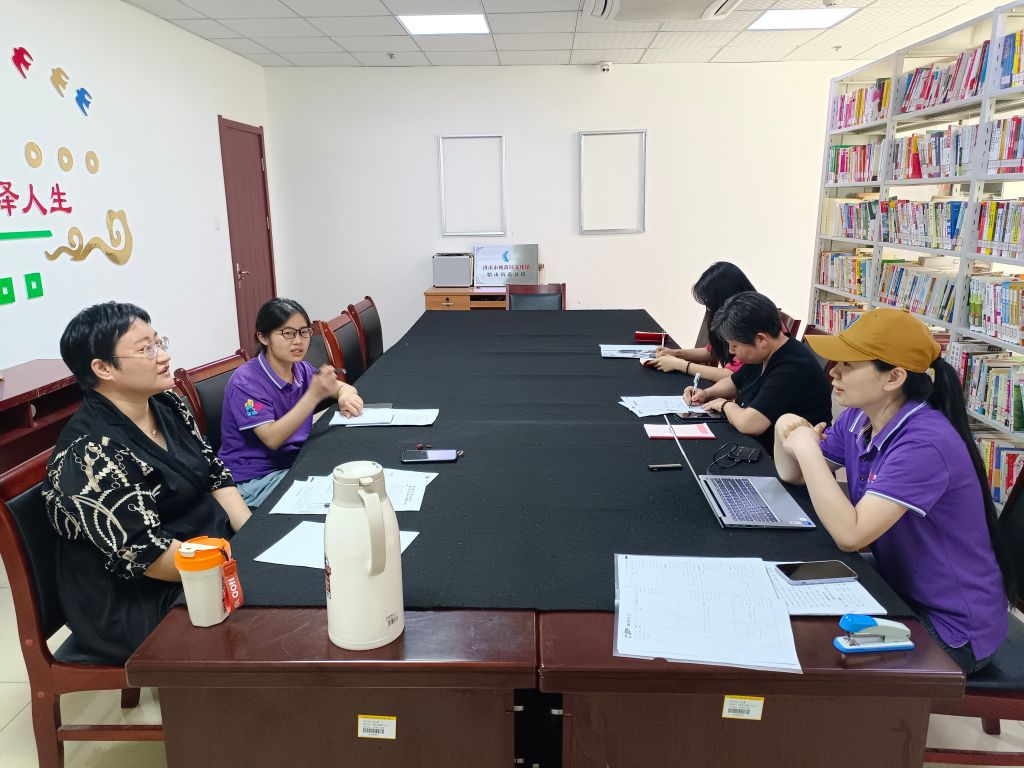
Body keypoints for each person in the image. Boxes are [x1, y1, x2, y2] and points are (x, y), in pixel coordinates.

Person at [774, 308, 1013, 674]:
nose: (833, 372)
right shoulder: (860, 417)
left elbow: (851, 535)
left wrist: (805, 447)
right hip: (901, 585)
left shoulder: (924, 443)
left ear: (894, 377)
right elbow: (794, 475)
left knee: (818, 655)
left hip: (951, 626)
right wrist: (785, 428)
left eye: (848, 365)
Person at [42, 302, 252, 664]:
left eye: (159, 342)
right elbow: (147, 555)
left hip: (205, 553)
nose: (164, 356)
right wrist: (237, 566)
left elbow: (214, 473)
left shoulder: (167, 404)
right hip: (136, 595)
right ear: (103, 368)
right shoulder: (90, 451)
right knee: (265, 616)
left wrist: (252, 537)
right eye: (146, 349)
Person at [219, 298, 364, 507]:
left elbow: (342, 387)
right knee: (341, 497)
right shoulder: (246, 382)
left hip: (292, 462)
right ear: (263, 337)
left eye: (304, 332)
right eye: (288, 333)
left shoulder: (301, 369)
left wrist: (345, 396)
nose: (298, 341)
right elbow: (272, 438)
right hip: (256, 478)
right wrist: (313, 396)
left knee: (353, 473)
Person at [685, 291, 832, 452]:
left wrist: (724, 405)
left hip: (788, 457)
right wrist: (707, 393)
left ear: (761, 339)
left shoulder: (792, 368)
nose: (731, 351)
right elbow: (735, 381)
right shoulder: (764, 353)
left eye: (734, 346)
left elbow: (750, 424)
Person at [650, 262, 756, 383]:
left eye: (710, 304)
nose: (709, 310)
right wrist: (675, 353)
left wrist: (680, 365)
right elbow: (712, 351)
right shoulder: (738, 315)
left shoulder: (749, 322)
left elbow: (731, 375)